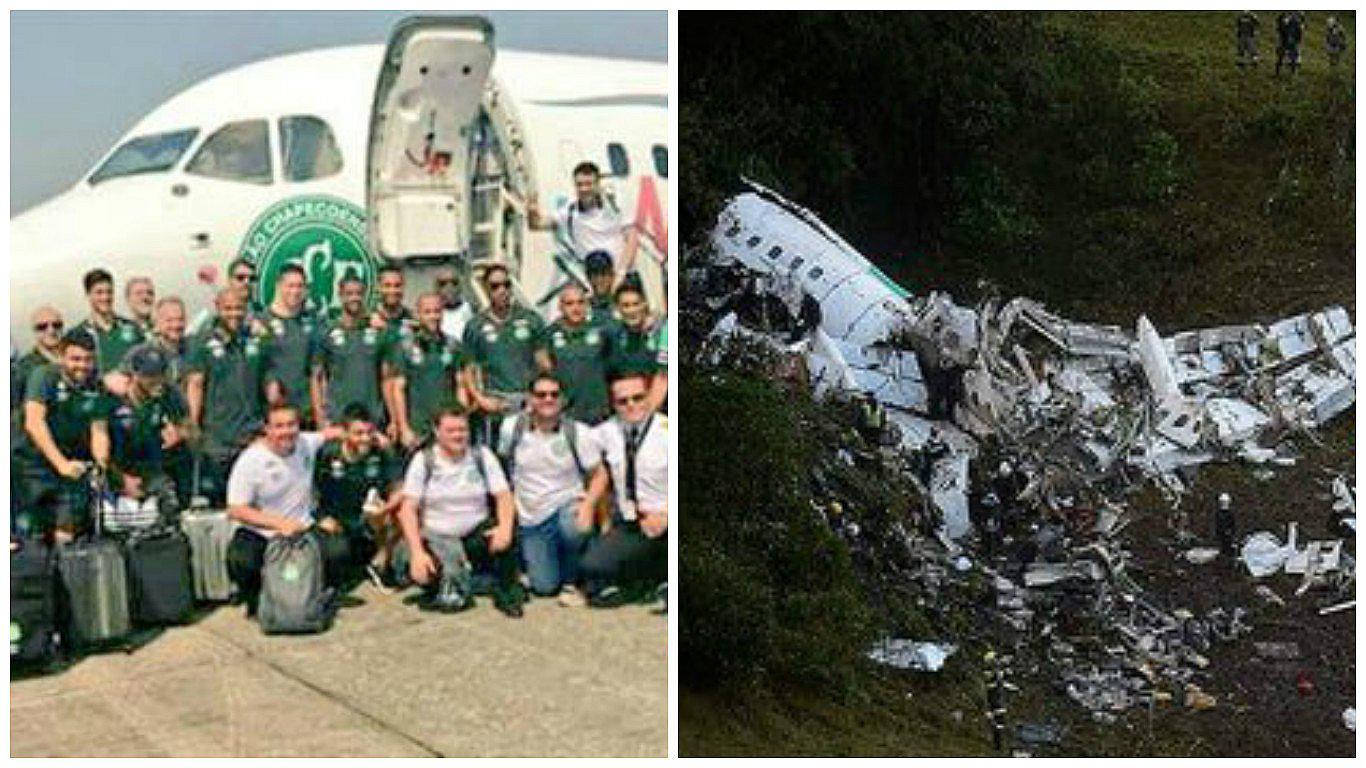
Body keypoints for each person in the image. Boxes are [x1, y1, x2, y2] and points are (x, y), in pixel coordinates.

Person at [394, 406, 525, 617]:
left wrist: (505, 528)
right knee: (428, 577)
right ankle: (456, 581)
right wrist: (417, 553)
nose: (458, 435)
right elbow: (408, 509)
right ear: (437, 432)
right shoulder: (423, 460)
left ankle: (506, 591)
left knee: (506, 535)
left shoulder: (481, 455)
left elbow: (504, 496)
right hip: (438, 537)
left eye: (462, 430)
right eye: (451, 430)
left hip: (474, 533)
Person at [225, 404, 347, 617]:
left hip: (303, 528)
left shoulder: (305, 443)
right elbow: (236, 509)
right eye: (279, 426)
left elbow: (330, 434)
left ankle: (313, 595)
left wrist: (373, 438)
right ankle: (258, 601)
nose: (286, 431)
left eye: (291, 424)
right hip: (263, 532)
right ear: (267, 429)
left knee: (338, 551)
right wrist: (279, 524)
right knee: (240, 559)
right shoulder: (250, 460)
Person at [496, 374, 599, 602]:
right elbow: (503, 466)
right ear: (530, 399)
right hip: (530, 517)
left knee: (573, 529)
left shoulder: (578, 432)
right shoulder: (511, 428)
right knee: (544, 587)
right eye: (541, 395)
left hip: (566, 506)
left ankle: (573, 580)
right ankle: (550, 566)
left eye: (554, 394)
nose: (548, 399)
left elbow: (599, 473)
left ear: (562, 400)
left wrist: (589, 505)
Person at [576, 371, 668, 607]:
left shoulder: (669, 431)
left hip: (668, 520)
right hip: (632, 523)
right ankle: (649, 582)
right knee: (592, 567)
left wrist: (666, 516)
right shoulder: (603, 434)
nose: (631, 405)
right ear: (613, 403)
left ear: (649, 396)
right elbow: (595, 472)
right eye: (622, 401)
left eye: (638, 397)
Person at [17, 331, 111, 541]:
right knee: (32, 535)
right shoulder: (44, 376)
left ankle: (65, 568)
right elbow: (34, 423)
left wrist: (101, 465)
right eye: (75, 359)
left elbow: (99, 430)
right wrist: (60, 464)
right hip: (32, 463)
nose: (82, 365)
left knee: (67, 530)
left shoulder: (96, 385)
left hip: (70, 464)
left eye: (88, 359)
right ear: (61, 356)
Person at [184, 289, 267, 504]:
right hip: (218, 438)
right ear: (218, 308)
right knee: (221, 500)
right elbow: (195, 384)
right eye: (228, 308)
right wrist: (193, 423)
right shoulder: (203, 341)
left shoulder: (255, 340)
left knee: (253, 501)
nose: (234, 314)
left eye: (239, 308)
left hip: (251, 434)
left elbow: (266, 384)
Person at [312, 403, 404, 589]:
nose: (365, 439)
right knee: (337, 555)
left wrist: (385, 509)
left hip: (368, 520)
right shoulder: (327, 454)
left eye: (369, 432)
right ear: (344, 433)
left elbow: (398, 489)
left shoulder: (382, 452)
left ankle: (381, 561)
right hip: (336, 522)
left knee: (404, 510)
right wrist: (321, 518)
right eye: (358, 433)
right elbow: (309, 492)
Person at [462, 264, 551, 443]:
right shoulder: (475, 326)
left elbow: (544, 363)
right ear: (486, 289)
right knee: (498, 460)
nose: (502, 290)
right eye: (495, 286)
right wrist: (481, 399)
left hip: (528, 402)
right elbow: (468, 369)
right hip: (497, 404)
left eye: (506, 285)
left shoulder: (531, 319)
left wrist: (542, 397)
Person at [104, 346, 189, 533]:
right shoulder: (114, 400)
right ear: (135, 375)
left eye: (161, 374)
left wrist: (180, 432)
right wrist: (122, 480)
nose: (158, 381)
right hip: (117, 475)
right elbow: (99, 448)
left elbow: (192, 429)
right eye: (150, 376)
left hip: (154, 473)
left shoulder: (169, 394)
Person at [528, 162, 640, 280]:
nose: (584, 189)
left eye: (588, 184)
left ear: (597, 184)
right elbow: (537, 225)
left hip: (622, 275)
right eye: (579, 185)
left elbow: (632, 239)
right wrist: (532, 211)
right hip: (595, 279)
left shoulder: (615, 206)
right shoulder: (569, 211)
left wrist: (621, 272)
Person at [312, 276, 393, 429]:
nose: (355, 298)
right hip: (338, 418)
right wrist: (320, 418)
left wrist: (393, 419)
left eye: (358, 293)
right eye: (349, 294)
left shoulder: (378, 332)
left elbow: (387, 378)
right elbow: (317, 377)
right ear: (340, 296)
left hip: (372, 418)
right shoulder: (326, 331)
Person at [389, 292, 467, 450]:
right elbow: (398, 388)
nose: (433, 316)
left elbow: (461, 385)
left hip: (447, 426)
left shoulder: (453, 345)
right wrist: (404, 428)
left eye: (437, 311)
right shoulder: (405, 347)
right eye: (428, 312)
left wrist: (462, 420)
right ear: (418, 315)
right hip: (418, 427)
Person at [540, 285, 614, 425]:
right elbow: (546, 372)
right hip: (567, 415)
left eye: (580, 302)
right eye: (570, 303)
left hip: (600, 414)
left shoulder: (602, 330)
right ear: (560, 307)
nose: (576, 308)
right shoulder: (549, 334)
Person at [262, 264, 319, 423]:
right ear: (279, 286)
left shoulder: (313, 321)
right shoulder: (261, 322)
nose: (295, 291)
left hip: (307, 412)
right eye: (290, 286)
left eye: (300, 286)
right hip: (277, 414)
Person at [107, 296, 191, 398]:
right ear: (157, 323)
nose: (176, 325)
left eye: (180, 319)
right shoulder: (141, 352)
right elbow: (113, 381)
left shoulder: (194, 349)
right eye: (169, 320)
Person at [604, 283, 668, 412]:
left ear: (645, 304)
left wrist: (646, 417)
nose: (632, 310)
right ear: (618, 308)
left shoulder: (662, 332)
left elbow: (662, 379)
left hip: (655, 412)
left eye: (636, 304)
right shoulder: (612, 335)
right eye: (626, 305)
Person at [72, 268, 145, 374]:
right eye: (99, 292)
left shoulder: (132, 328)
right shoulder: (77, 334)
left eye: (109, 292)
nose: (105, 297)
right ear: (87, 295)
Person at [12, 307, 65, 411]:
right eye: (42, 327)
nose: (51, 330)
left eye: (56, 325)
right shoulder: (23, 368)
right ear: (34, 331)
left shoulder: (77, 361)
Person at [372, 265, 415, 338]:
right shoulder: (366, 321)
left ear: (403, 287)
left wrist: (386, 329)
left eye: (397, 286)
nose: (392, 291)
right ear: (378, 287)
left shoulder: (413, 320)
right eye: (387, 285)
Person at [434, 266, 474, 342]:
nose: (449, 287)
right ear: (436, 288)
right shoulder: (432, 313)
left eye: (454, 283)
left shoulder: (472, 310)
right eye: (443, 284)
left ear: (460, 287)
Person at [583, 250, 620, 326]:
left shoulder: (624, 305)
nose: (599, 280)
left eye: (603, 274)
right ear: (588, 277)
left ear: (612, 275)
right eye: (595, 274)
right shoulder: (581, 307)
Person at [1276, 10, 1305, 76]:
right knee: (1281, 55)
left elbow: (1299, 32)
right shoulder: (1282, 18)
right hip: (1284, 40)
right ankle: (1278, 72)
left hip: (1292, 41)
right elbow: (1279, 28)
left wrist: (1297, 41)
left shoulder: (1295, 22)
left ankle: (1293, 72)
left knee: (1293, 57)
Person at [1214, 492, 1236, 561]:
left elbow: (1232, 524)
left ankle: (1227, 555)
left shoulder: (1230, 513)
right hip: (1222, 534)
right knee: (1223, 545)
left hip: (1227, 535)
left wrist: (1230, 532)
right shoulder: (1218, 513)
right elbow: (1218, 524)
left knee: (1227, 546)